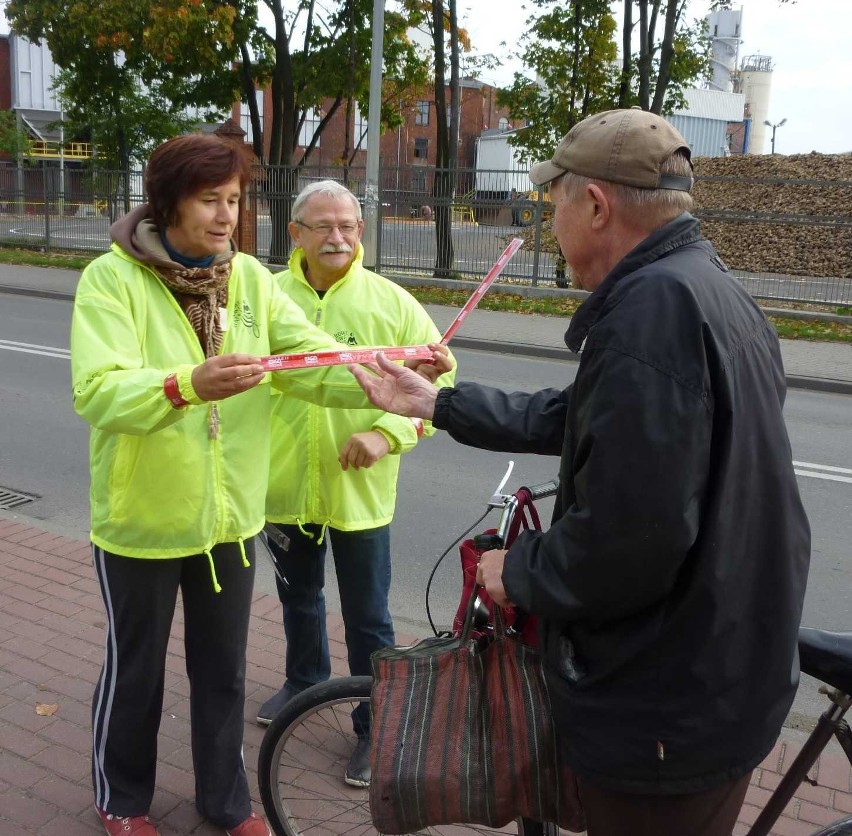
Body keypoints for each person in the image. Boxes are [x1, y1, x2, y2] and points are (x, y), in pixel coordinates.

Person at [349, 109, 811, 836]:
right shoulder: (702, 285)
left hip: (668, 701)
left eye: (553, 200)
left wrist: (520, 570)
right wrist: (439, 402)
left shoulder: (651, 313)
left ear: (594, 205)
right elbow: (592, 417)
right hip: (725, 665)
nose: (547, 217)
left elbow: (630, 538)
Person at [70, 135, 409, 836]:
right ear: (167, 203)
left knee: (222, 673)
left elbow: (308, 362)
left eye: (234, 200)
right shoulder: (113, 279)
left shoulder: (248, 278)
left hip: (232, 523)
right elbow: (98, 392)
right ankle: (122, 800)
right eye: (208, 200)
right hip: (143, 521)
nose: (226, 217)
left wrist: (385, 377)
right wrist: (182, 384)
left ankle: (225, 802)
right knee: (137, 674)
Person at [257, 180, 455, 787]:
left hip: (360, 495)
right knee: (298, 598)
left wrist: (386, 434)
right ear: (296, 234)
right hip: (283, 488)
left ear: (361, 231)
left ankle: (380, 727)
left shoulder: (392, 303)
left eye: (348, 225)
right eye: (323, 226)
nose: (338, 237)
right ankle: (305, 682)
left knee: (369, 616)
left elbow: (439, 387)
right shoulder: (265, 297)